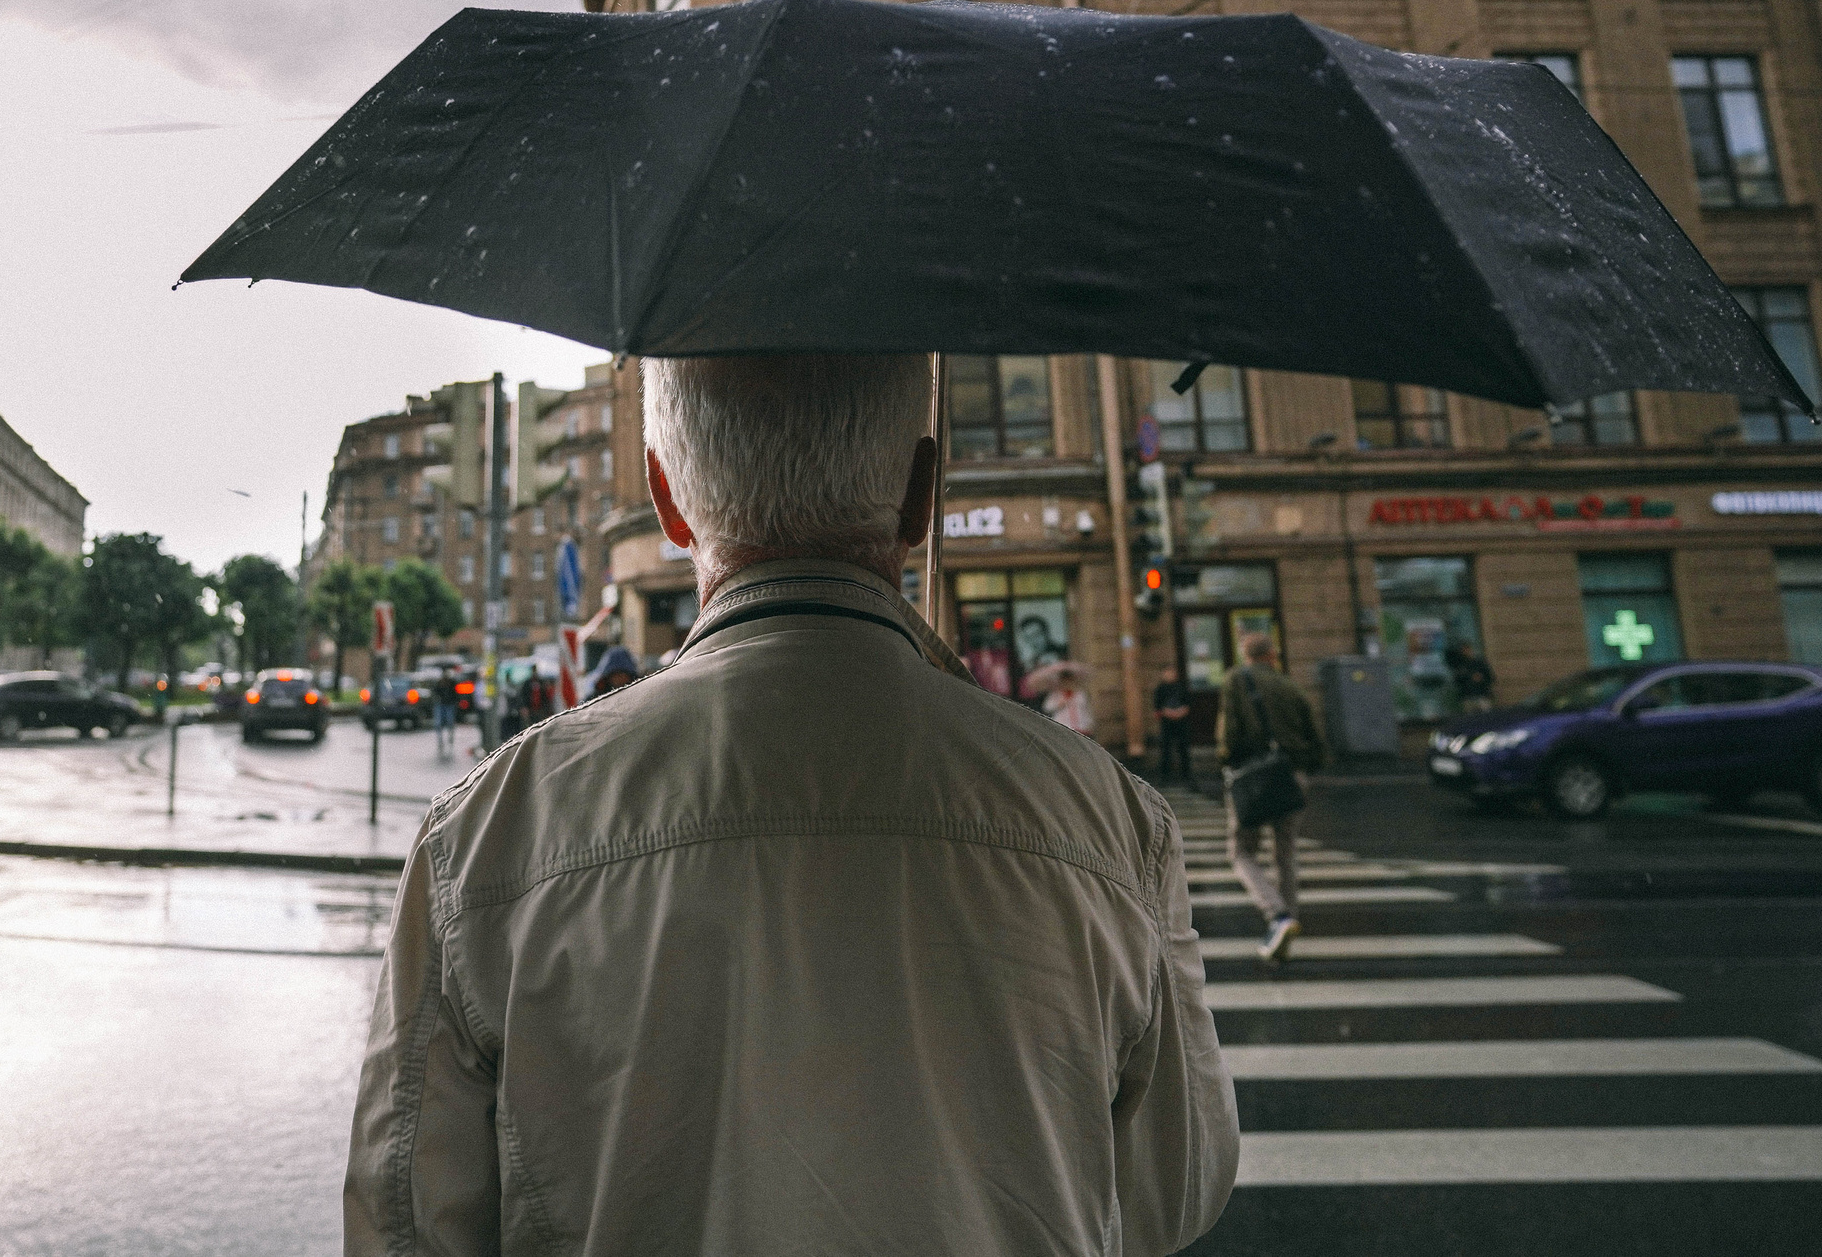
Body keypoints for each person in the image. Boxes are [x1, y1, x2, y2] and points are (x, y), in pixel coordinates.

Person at [348, 354, 1236, 1255]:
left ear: (666, 498)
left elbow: (402, 1227)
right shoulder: (1110, 821)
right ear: (923, 492)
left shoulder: (491, 832)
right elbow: (1175, 1189)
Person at [1215, 632, 1325, 964]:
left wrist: (1226, 761)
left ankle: (1277, 916)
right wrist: (1307, 768)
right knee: (1285, 852)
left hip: (1254, 778)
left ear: (1245, 655)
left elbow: (1229, 733)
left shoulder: (1235, 679)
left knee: (1241, 852)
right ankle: (1289, 917)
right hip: (1292, 775)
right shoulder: (1289, 685)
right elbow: (1314, 734)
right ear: (1272, 655)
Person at [1153, 665, 1195, 783]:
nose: (1170, 675)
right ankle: (1165, 775)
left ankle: (1186, 774)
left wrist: (1180, 713)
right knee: (1166, 749)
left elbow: (1188, 704)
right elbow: (1158, 708)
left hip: (1181, 723)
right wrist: (1169, 713)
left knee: (1183, 749)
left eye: (1172, 672)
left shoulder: (1181, 687)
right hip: (1167, 723)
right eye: (1168, 673)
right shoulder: (1160, 689)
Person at [1446, 640, 1496, 713]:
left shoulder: (1479, 663)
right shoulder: (1460, 665)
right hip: (1468, 697)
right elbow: (1457, 681)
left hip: (1481, 696)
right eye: (1463, 650)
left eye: (1467, 649)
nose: (1466, 652)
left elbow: (1491, 678)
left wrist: (1481, 679)